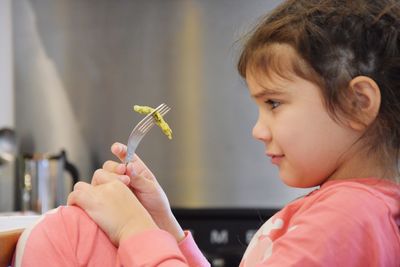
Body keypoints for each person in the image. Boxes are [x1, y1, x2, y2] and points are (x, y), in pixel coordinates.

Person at [13, 0, 400, 266]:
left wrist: (134, 228)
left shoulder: (345, 218)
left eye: (274, 104)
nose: (258, 130)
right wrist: (163, 225)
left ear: (358, 103)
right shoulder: (350, 209)